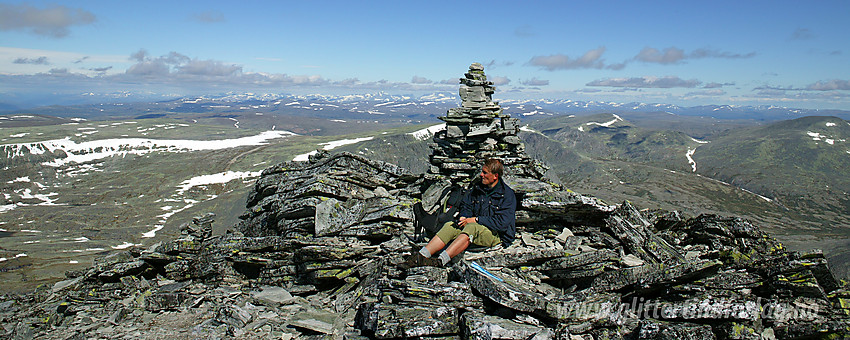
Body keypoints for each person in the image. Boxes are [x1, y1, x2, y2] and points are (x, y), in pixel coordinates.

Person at [404, 158, 517, 268]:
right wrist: (464, 217)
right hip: (477, 227)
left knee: (472, 228)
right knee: (450, 226)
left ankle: (440, 261)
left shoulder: (507, 195)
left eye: (485, 173)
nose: (481, 175)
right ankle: (421, 256)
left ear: (495, 176)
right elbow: (466, 205)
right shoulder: (477, 189)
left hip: (497, 235)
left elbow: (502, 223)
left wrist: (476, 220)